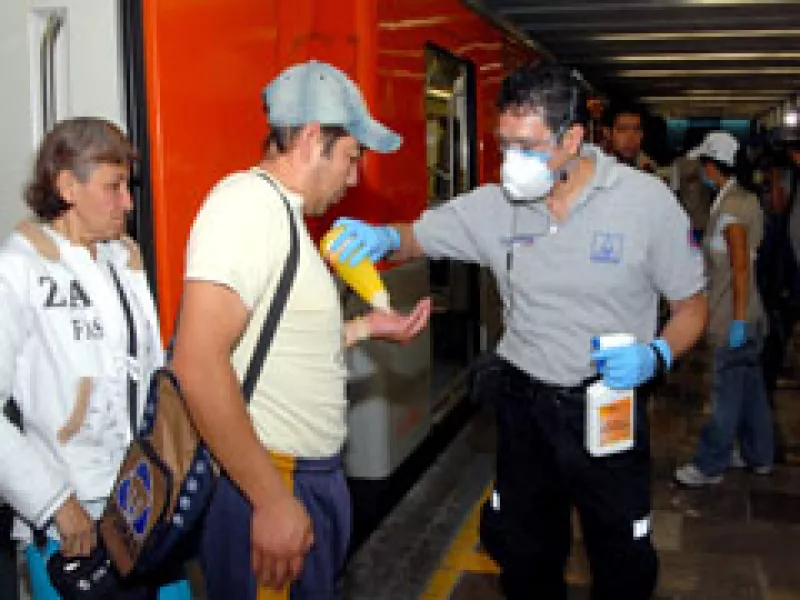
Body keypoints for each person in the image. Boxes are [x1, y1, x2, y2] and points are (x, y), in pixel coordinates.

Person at [330, 64, 708, 599]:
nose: (512, 162)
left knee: (623, 562)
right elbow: (415, 239)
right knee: (525, 556)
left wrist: (658, 355)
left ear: (573, 138)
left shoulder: (646, 204)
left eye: (528, 147)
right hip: (525, 410)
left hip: (607, 410)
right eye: (505, 144)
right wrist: (379, 237)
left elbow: (692, 308)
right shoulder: (494, 206)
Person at [170, 60, 431, 600]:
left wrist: (363, 329)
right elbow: (197, 363)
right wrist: (270, 500)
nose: (354, 177)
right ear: (312, 138)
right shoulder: (246, 206)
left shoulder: (282, 216)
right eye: (351, 158)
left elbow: (279, 340)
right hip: (274, 480)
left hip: (300, 481)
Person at [0, 118, 189, 599]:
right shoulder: (18, 271)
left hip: (144, 511)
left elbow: (149, 377)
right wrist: (54, 503)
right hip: (74, 526)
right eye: (114, 186)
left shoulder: (124, 261)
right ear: (67, 186)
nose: (128, 202)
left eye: (128, 185)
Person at [675, 131, 773, 486]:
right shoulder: (742, 199)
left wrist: (737, 319)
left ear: (713, 167)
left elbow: (740, 268)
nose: (701, 171)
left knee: (724, 393)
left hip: (732, 314)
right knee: (749, 390)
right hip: (750, 313)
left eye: (704, 164)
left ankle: (710, 464)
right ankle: (759, 455)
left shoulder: (731, 210)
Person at [605, 102, 657, 174]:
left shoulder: (647, 167)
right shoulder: (596, 168)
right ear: (608, 133)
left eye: (637, 129)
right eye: (622, 129)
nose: (631, 138)